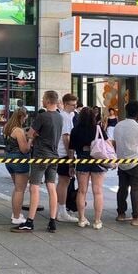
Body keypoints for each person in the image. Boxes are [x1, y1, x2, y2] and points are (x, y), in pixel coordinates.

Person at [13, 91, 62, 233]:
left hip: (40, 155)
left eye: (43, 98)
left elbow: (30, 133)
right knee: (51, 186)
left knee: (34, 187)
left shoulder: (43, 116)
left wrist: (34, 136)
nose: (42, 100)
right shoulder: (59, 117)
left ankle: (30, 221)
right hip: (54, 155)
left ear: (47, 101)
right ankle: (52, 221)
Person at [112, 101, 138, 227]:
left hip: (121, 160)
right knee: (136, 190)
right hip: (136, 161)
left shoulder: (118, 125)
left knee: (122, 188)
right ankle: (136, 217)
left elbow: (114, 142)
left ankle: (121, 213)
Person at [70, 107, 108, 230]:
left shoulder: (75, 130)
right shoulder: (98, 128)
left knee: (82, 191)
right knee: (98, 191)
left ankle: (81, 219)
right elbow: (107, 143)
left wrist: (71, 165)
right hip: (97, 160)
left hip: (82, 160)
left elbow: (71, 149)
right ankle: (97, 221)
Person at [4, 108, 30, 225]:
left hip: (9, 159)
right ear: (21, 117)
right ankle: (16, 216)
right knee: (20, 190)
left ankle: (16, 212)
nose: (25, 120)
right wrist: (30, 140)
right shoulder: (18, 131)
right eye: (25, 118)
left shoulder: (7, 128)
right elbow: (24, 149)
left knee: (17, 188)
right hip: (19, 160)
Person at [57, 94, 79, 223]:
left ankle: (60, 209)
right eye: (72, 105)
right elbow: (66, 138)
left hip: (65, 153)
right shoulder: (64, 117)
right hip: (64, 153)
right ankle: (62, 211)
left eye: (75, 104)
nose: (75, 107)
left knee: (64, 182)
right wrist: (70, 157)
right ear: (65, 104)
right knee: (64, 182)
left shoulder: (71, 115)